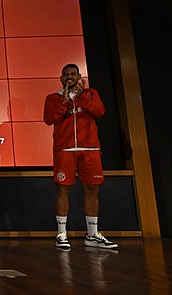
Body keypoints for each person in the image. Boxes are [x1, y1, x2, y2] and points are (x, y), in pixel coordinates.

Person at [43, 63, 118, 250]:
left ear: (79, 76)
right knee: (63, 190)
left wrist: (82, 98)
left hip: (90, 149)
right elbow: (49, 119)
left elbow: (99, 111)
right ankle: (61, 234)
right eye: (66, 74)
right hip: (65, 151)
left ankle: (92, 235)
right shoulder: (53, 98)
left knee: (92, 189)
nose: (70, 77)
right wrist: (65, 101)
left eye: (73, 74)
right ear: (61, 78)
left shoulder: (90, 93)